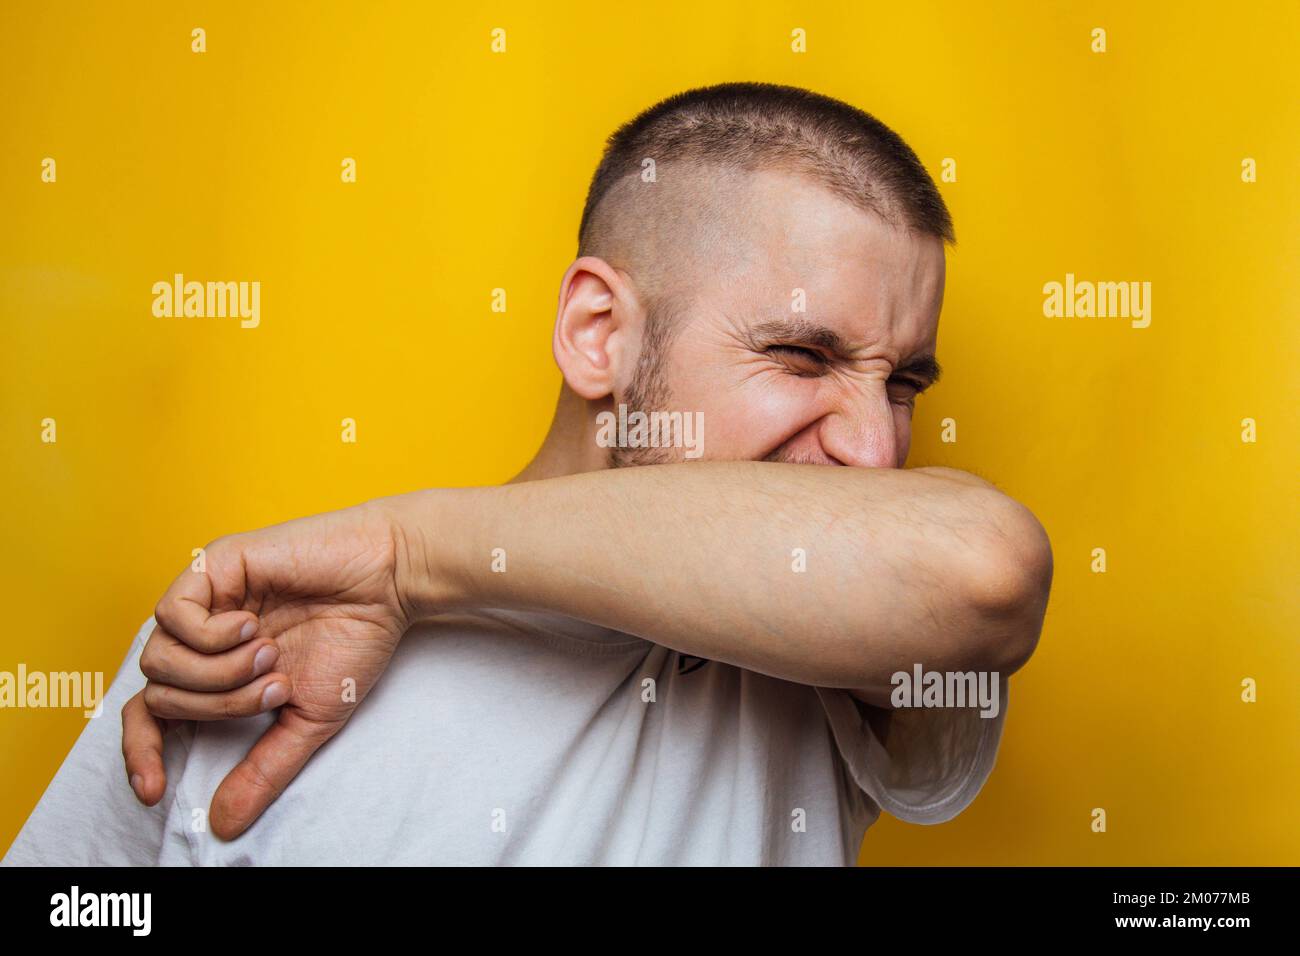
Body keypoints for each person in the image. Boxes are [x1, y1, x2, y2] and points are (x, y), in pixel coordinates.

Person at [3, 82, 1052, 866]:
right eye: (802, 357)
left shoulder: (821, 662)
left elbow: (980, 570)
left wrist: (408, 555)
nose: (874, 448)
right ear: (598, 332)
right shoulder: (256, 638)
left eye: (903, 379)